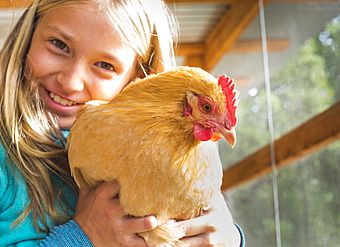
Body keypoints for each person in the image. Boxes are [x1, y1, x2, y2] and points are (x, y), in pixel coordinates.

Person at [0, 0, 245, 246]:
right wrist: (82, 237)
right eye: (59, 44)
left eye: (105, 65)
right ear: (28, 34)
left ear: (138, 78)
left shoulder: (177, 160)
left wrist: (227, 238)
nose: (71, 82)